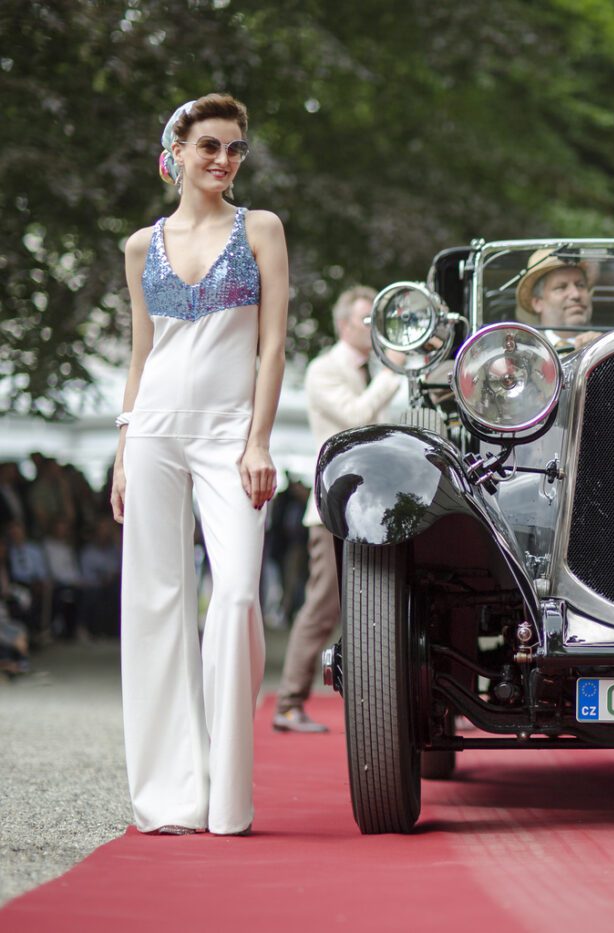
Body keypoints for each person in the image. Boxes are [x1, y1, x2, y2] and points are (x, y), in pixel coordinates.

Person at [112, 94, 288, 836]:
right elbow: (141, 353)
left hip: (228, 438)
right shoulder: (139, 246)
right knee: (155, 605)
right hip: (153, 431)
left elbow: (272, 347)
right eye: (210, 145)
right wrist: (123, 452)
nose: (224, 159)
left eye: (235, 148)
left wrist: (258, 440)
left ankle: (226, 792)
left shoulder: (261, 229)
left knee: (238, 596)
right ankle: (170, 795)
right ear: (176, 152)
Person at [272, 286, 402, 733]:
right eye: (367, 319)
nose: (374, 327)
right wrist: (393, 372)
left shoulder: (375, 370)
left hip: (373, 511)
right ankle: (289, 702)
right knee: (323, 607)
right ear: (344, 324)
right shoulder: (324, 369)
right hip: (330, 511)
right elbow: (355, 419)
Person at [515, 248, 599, 352]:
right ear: (537, 303)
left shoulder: (604, 347)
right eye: (561, 287)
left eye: (580, 285)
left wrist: (603, 351)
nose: (576, 294)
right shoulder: (522, 351)